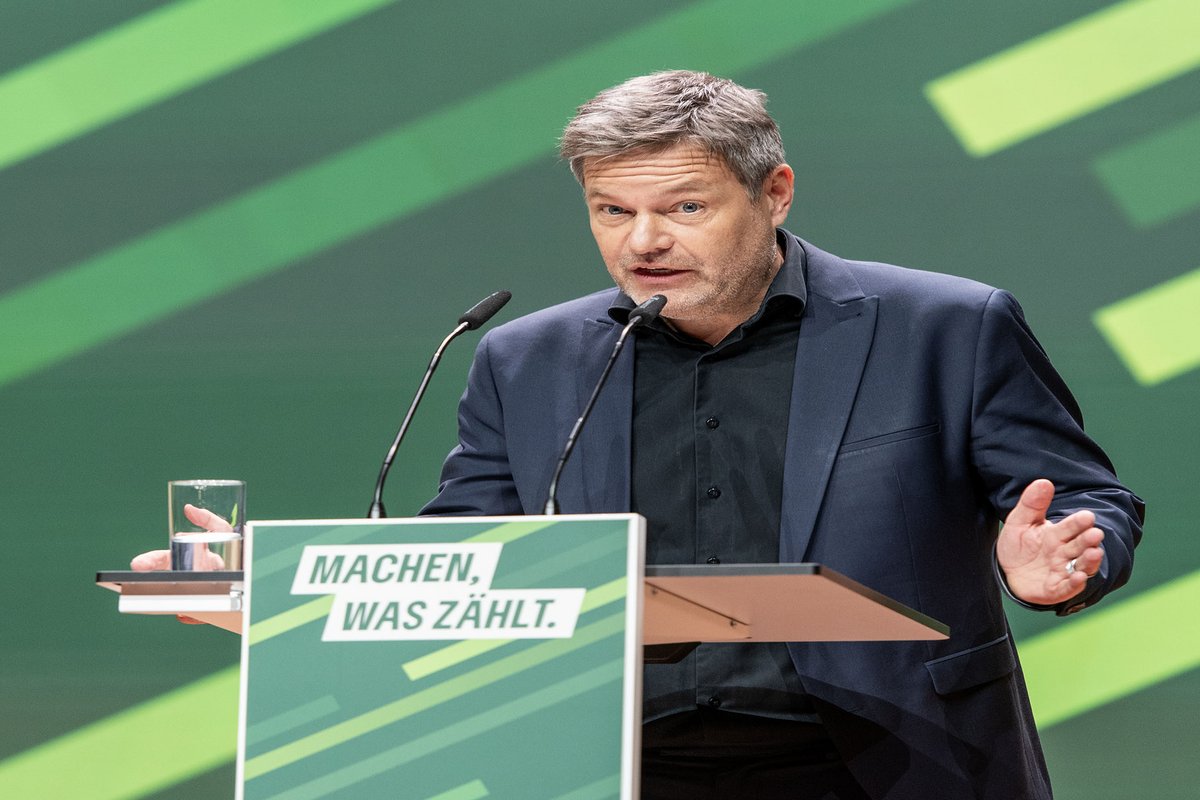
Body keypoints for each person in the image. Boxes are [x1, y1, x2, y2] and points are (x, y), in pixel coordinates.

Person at [135, 71, 1143, 799]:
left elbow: (1085, 498)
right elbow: (461, 563)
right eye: (611, 210)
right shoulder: (526, 358)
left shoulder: (945, 325)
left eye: (684, 207)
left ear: (775, 192)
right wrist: (277, 598)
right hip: (604, 761)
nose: (643, 241)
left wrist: (1055, 562)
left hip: (885, 760)